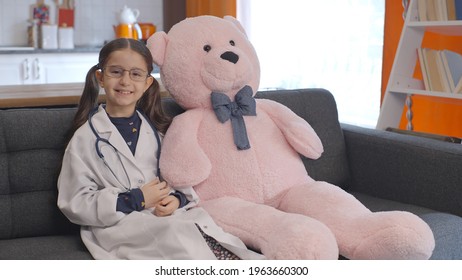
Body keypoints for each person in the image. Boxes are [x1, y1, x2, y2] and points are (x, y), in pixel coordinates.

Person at [57, 38, 264, 260]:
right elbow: (74, 202)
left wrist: (177, 199)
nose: (125, 81)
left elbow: (178, 179)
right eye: (116, 72)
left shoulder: (158, 133)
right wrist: (136, 199)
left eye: (136, 74)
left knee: (206, 232)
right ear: (100, 78)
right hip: (118, 225)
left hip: (166, 216)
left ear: (147, 83)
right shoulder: (86, 138)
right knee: (179, 236)